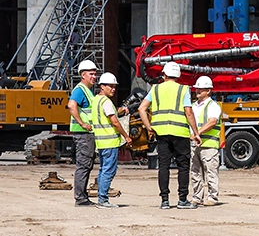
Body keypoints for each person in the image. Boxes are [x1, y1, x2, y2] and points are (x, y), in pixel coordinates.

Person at [138, 61, 199, 209]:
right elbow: (188, 112)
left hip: (162, 133)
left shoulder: (156, 89)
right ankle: (182, 199)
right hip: (180, 133)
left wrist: (149, 127)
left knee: (163, 166)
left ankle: (164, 200)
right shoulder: (183, 89)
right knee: (183, 166)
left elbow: (141, 108)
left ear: (164, 75)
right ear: (178, 75)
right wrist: (196, 132)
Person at [91, 72, 132, 209]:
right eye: (110, 86)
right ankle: (103, 199)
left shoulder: (96, 100)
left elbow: (108, 114)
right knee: (109, 171)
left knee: (103, 170)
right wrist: (126, 136)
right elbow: (114, 121)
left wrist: (120, 110)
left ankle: (101, 198)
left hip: (101, 142)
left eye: (114, 87)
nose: (113, 89)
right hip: (110, 142)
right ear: (102, 86)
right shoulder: (106, 102)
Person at [68, 60, 99, 207]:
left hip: (86, 133)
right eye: (91, 74)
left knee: (86, 164)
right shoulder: (80, 90)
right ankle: (80, 198)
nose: (94, 77)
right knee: (84, 165)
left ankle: (82, 196)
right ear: (83, 75)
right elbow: (71, 105)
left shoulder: (88, 91)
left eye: (95, 74)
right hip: (83, 133)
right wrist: (82, 123)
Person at [189, 76, 223, 206]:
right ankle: (197, 197)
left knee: (211, 172)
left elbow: (212, 122)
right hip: (195, 145)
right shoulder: (193, 106)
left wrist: (197, 134)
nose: (197, 91)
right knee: (195, 173)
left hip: (209, 145)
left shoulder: (213, 105)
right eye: (197, 89)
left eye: (200, 89)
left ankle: (212, 197)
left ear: (208, 91)